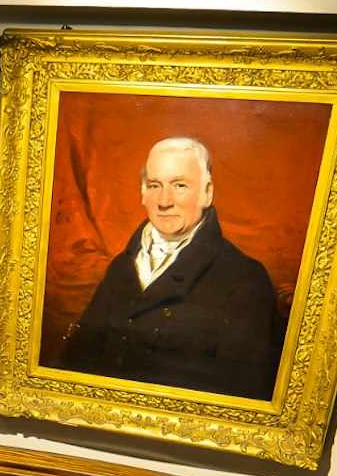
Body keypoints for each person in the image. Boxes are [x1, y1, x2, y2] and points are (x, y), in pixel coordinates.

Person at [59, 136, 281, 401]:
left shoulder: (245, 279)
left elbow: (243, 396)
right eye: (155, 185)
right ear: (142, 193)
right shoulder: (122, 265)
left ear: (207, 192)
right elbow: (76, 358)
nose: (164, 201)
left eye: (180, 185)